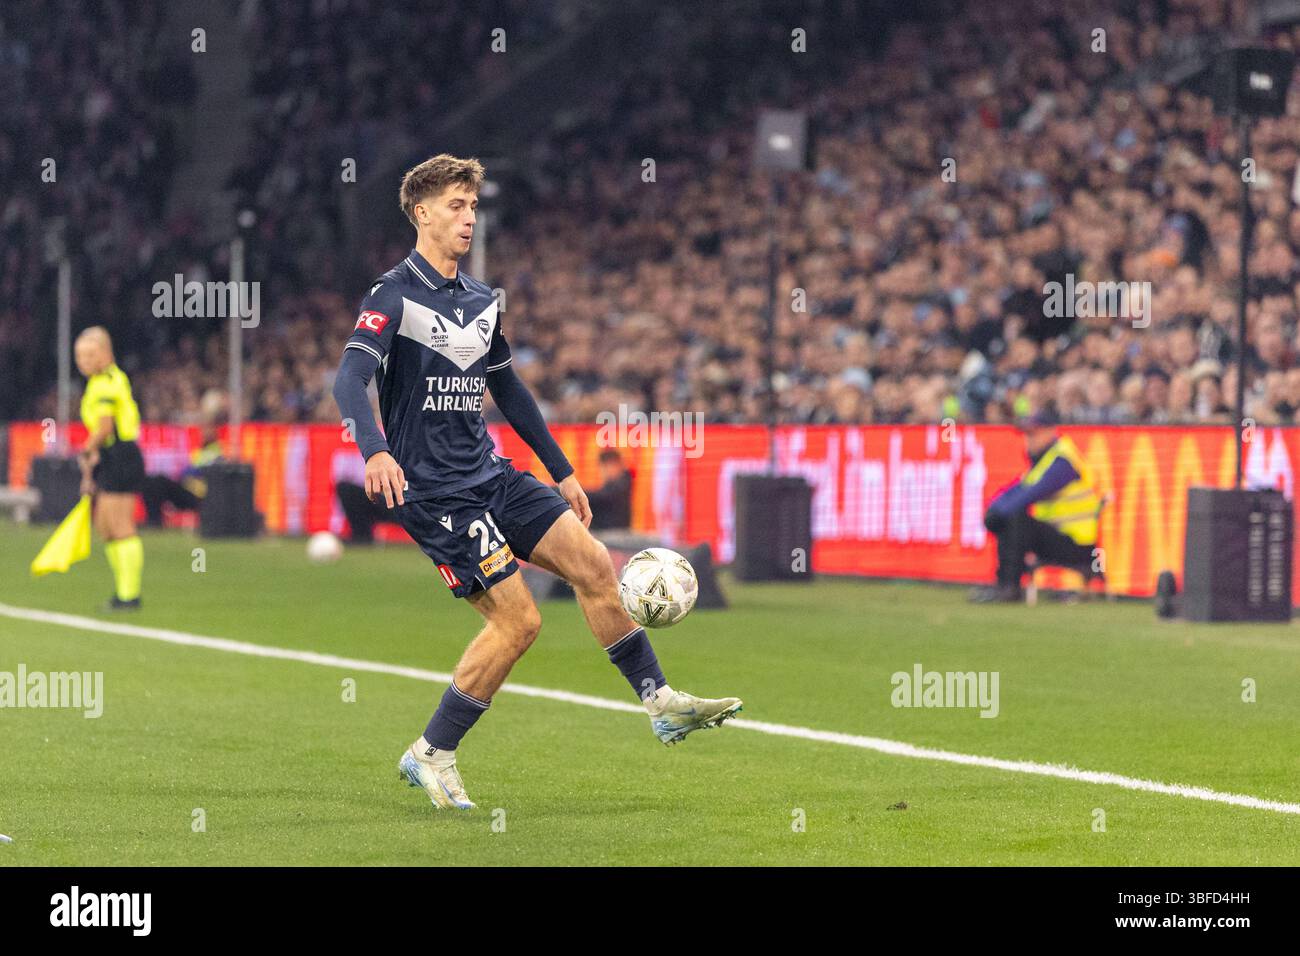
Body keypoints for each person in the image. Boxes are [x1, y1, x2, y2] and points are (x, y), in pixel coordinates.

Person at [331, 154, 741, 811]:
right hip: (434, 492)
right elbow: (349, 378)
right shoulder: (392, 295)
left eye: (473, 205)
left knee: (593, 565)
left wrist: (562, 469)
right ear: (422, 213)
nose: (469, 217)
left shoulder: (479, 301)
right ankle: (432, 752)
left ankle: (659, 702)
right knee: (519, 623)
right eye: (457, 206)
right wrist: (375, 450)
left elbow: (508, 389)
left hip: (491, 472)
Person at [969, 409, 1101, 604]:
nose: (1028, 440)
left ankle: (1009, 586)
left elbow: (1031, 493)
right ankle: (1004, 583)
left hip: (1078, 545)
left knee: (1016, 517)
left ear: (1050, 432)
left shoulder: (1063, 461)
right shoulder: (1044, 462)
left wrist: (997, 513)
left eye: (1033, 434)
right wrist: (994, 510)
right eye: (1026, 435)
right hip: (1059, 537)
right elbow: (1015, 491)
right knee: (1011, 517)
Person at [74, 327, 145, 610]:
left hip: (121, 455)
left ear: (105, 353)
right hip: (113, 455)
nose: (83, 360)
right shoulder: (103, 380)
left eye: (90, 354)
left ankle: (130, 595)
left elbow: (104, 428)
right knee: (105, 526)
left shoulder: (105, 384)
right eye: (79, 355)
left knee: (120, 525)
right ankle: (123, 592)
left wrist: (86, 450)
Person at [140, 423, 223, 526]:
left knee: (159, 481)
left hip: (198, 493)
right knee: (151, 481)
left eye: (207, 430)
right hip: (187, 487)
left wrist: (187, 471)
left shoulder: (215, 451)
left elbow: (198, 472)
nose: (203, 433)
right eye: (203, 430)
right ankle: (153, 519)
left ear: (214, 432)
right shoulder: (200, 450)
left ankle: (154, 520)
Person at [587, 448, 632, 530]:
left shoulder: (621, 486)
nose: (602, 472)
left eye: (604, 467)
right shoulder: (617, 485)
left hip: (616, 534)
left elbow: (600, 497)